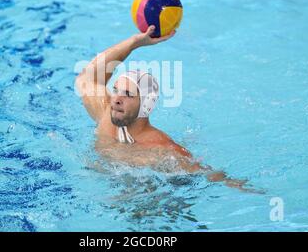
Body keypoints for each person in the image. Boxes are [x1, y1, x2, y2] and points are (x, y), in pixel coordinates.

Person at [76, 25, 258, 192]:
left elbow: (210, 175)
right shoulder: (106, 114)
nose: (116, 99)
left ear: (145, 106)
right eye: (116, 91)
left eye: (128, 94)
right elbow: (86, 78)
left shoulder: (163, 149)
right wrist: (133, 43)